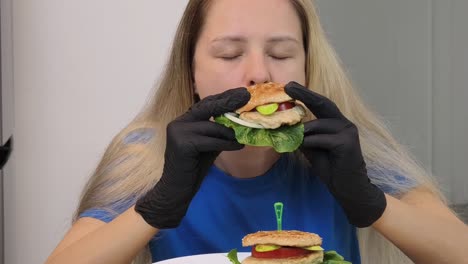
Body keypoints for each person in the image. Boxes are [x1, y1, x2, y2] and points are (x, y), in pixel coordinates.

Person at [46, 0, 468, 263]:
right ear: (190, 71)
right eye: (230, 53)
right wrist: (152, 209)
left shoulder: (347, 148)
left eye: (281, 53)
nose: (259, 74)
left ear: (307, 64)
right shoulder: (144, 153)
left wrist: (373, 204)